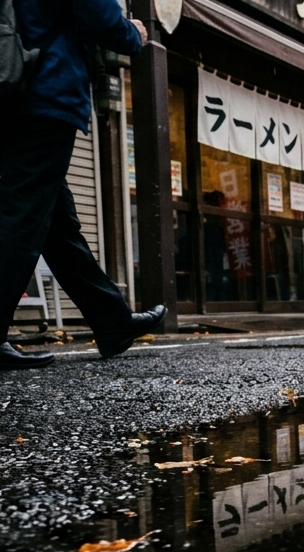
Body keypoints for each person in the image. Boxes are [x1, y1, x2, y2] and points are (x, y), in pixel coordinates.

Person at [0, 0, 167, 370]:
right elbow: (98, 12)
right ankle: (112, 321)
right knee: (22, 220)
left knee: (56, 224)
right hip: (44, 91)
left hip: (16, 87)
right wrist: (133, 33)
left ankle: (112, 321)